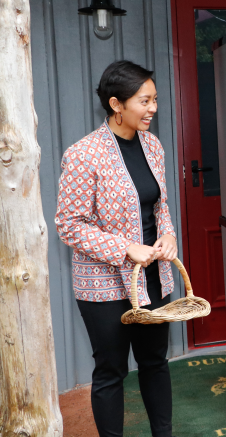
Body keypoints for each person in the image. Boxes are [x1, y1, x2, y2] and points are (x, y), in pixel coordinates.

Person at [55, 60, 177, 437]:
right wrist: (126, 247)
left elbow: (159, 204)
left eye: (155, 99)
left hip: (153, 277)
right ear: (116, 104)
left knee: (155, 361)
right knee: (111, 372)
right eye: (145, 101)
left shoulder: (152, 146)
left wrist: (168, 235)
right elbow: (69, 225)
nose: (153, 108)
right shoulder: (83, 154)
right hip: (103, 287)